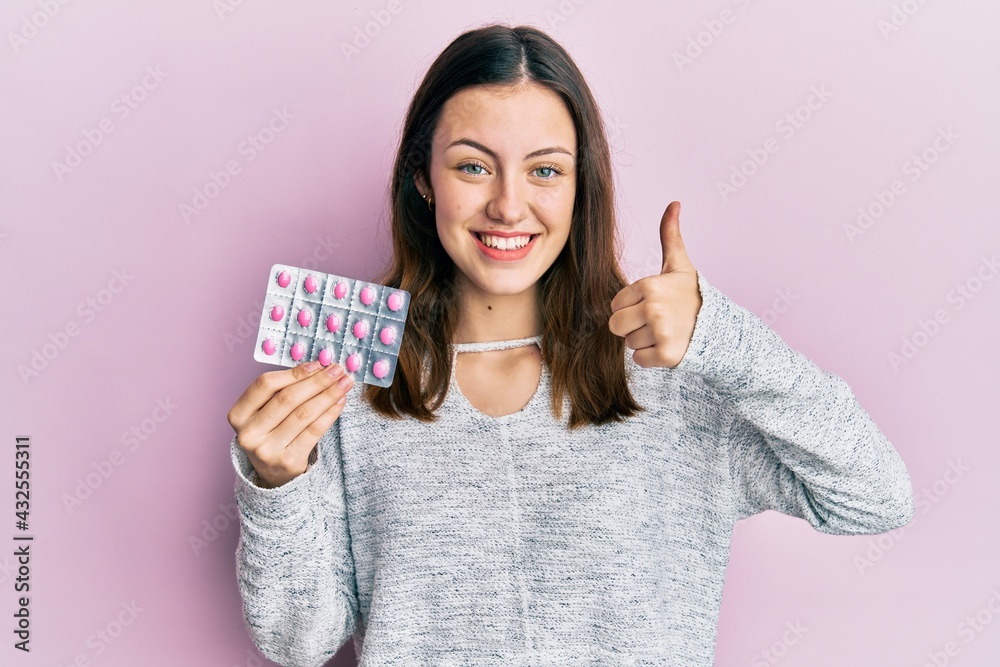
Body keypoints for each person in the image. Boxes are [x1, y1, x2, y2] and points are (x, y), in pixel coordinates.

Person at [225, 22, 915, 667]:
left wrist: (724, 337)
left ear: (581, 185)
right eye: (472, 167)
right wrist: (277, 484)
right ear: (421, 177)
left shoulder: (671, 375)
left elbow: (875, 495)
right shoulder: (346, 382)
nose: (508, 205)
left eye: (545, 170)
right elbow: (298, 640)